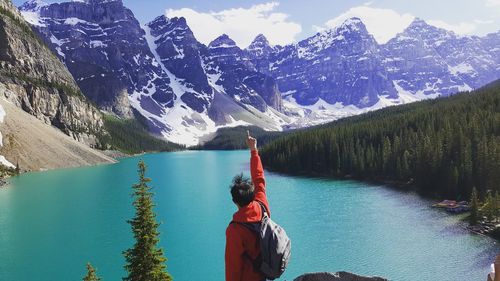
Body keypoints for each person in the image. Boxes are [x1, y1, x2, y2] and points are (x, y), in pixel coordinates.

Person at [225, 131, 270, 281]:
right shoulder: (262, 205)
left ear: (235, 201)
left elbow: (233, 266)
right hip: (264, 272)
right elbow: (259, 179)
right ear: (252, 194)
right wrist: (254, 150)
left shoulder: (235, 229)